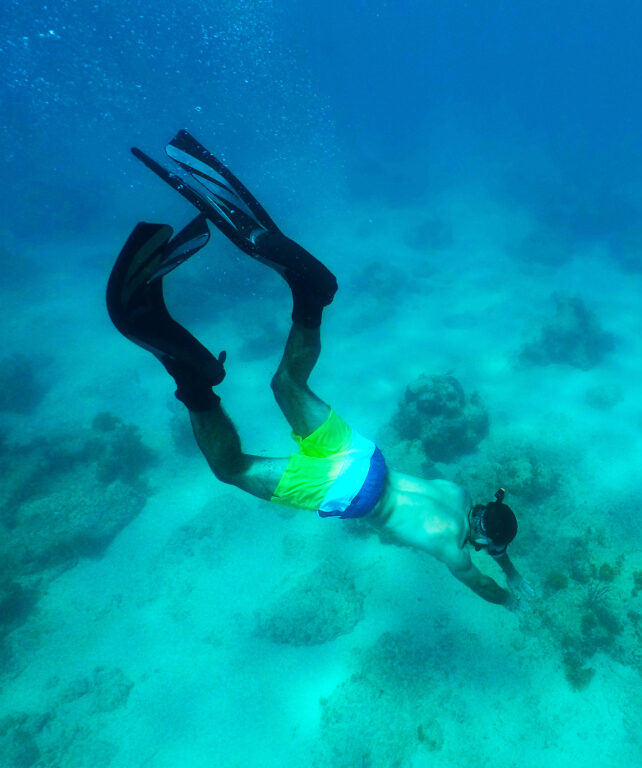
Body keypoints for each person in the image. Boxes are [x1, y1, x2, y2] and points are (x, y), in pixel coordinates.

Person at [107, 130, 533, 609]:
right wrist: (510, 593)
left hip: (368, 458)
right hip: (354, 495)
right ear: (483, 541)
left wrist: (504, 553)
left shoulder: (458, 494)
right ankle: (192, 382)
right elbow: (480, 582)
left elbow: (487, 529)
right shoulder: (453, 552)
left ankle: (309, 299)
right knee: (233, 468)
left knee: (286, 382)